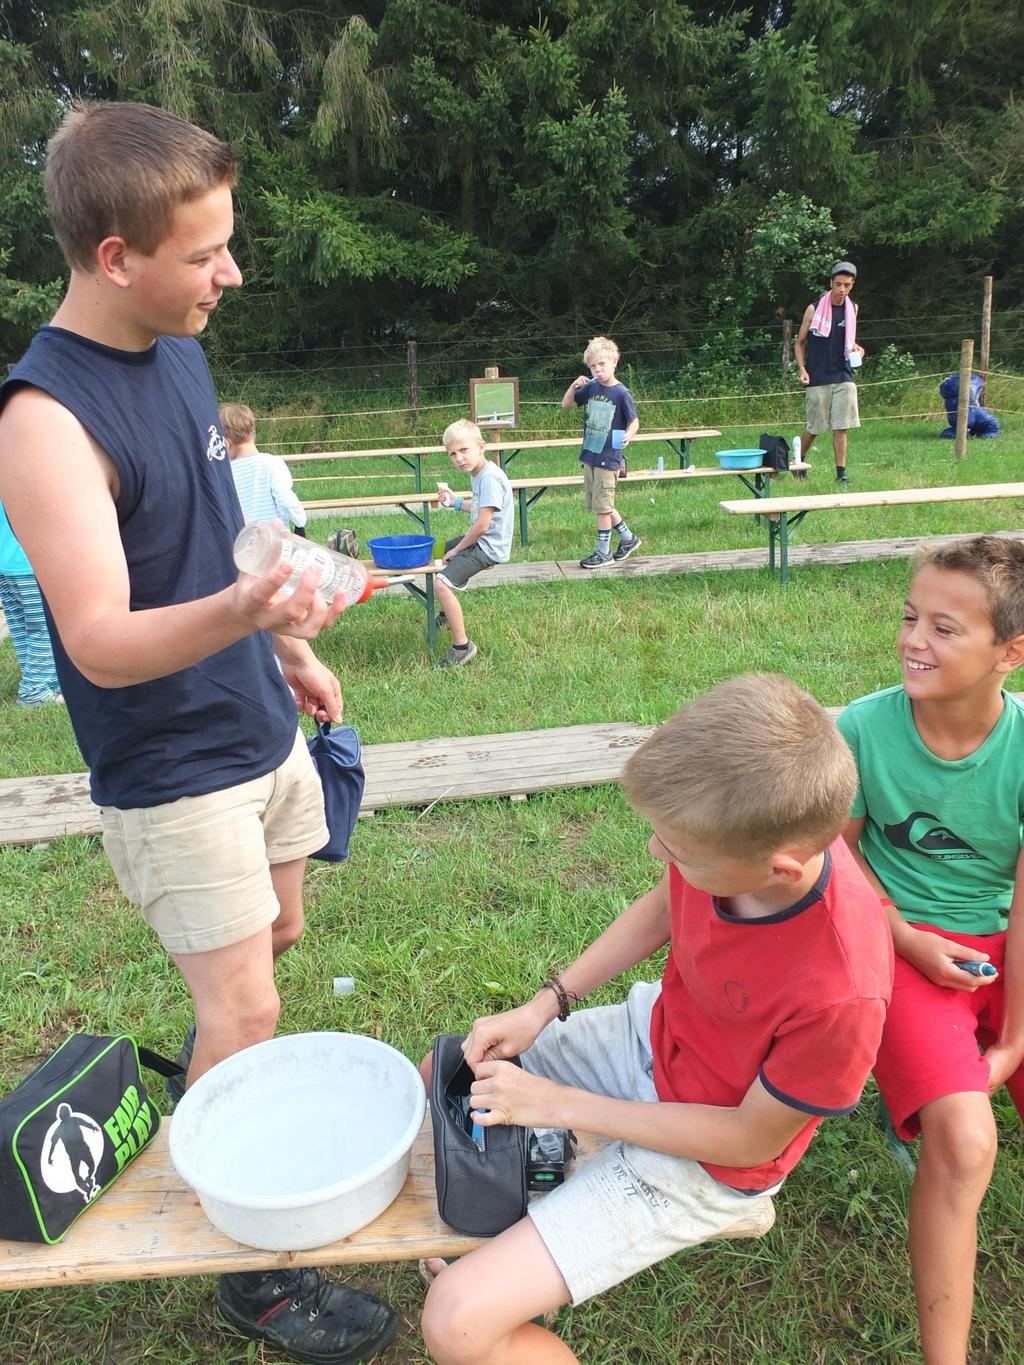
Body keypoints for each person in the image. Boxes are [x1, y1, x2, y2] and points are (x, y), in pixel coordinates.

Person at [0, 101, 394, 1365]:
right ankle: (250, 1269)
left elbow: (211, 527)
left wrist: (281, 644)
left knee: (279, 939)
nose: (233, 273)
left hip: (256, 722)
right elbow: (101, 639)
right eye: (207, 251)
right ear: (115, 258)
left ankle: (217, 1110)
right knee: (247, 1006)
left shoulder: (178, 345)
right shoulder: (41, 421)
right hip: (171, 772)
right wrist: (241, 609)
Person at [419, 673, 894, 1365]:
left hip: (708, 1158)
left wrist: (560, 1103)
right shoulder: (737, 849)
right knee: (452, 1069)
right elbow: (665, 905)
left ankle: (511, 1265)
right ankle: (526, 1245)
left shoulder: (842, 992)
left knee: (456, 1321)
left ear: (782, 870)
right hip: (655, 1040)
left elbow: (744, 1139)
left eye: (680, 852)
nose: (657, 856)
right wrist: (543, 1005)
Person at [837, 535, 1024, 1365]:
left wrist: (1014, 1037)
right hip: (899, 947)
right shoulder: (862, 730)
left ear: (1009, 654)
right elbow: (834, 861)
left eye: (946, 628)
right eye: (911, 617)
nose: (915, 639)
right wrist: (906, 937)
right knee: (964, 1140)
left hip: (1005, 942)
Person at [433, 418, 513, 668]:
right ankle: (446, 615)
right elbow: (480, 510)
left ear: (481, 447)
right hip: (483, 540)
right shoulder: (479, 473)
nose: (459, 458)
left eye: (464, 450)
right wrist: (455, 502)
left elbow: (482, 525)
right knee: (438, 550)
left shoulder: (489, 477)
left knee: (441, 583)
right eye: (453, 454)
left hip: (489, 547)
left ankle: (462, 646)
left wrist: (458, 551)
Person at [560, 336, 641, 567]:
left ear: (614, 362)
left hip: (609, 457)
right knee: (601, 505)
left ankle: (603, 553)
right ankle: (628, 538)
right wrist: (574, 385)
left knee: (602, 508)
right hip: (590, 455)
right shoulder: (591, 387)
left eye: (602, 364)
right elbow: (567, 405)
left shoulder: (621, 393)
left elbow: (634, 421)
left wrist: (628, 434)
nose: (597, 369)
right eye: (593, 366)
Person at [794, 261, 865, 485]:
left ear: (852, 285)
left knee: (841, 426)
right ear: (831, 284)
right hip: (818, 376)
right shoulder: (814, 309)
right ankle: (798, 462)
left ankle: (841, 474)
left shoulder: (852, 309)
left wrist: (860, 350)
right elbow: (799, 343)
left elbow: (850, 342)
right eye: (838, 284)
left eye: (847, 285)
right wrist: (802, 368)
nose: (842, 289)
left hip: (844, 375)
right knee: (815, 427)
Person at [0, 497, 62, 706]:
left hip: (5, 563)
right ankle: (33, 691)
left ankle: (47, 680)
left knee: (23, 626)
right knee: (45, 627)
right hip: (28, 563)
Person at [219, 400, 308, 534]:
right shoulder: (272, 463)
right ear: (253, 432)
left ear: (226, 443)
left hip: (244, 543)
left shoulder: (226, 473)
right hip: (275, 541)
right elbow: (285, 499)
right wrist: (300, 522)